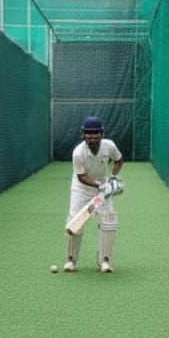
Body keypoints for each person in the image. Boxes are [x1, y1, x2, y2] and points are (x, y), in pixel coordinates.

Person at [64, 116, 123, 273]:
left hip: (103, 189)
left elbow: (119, 160)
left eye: (96, 134)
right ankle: (70, 260)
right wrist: (100, 185)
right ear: (84, 134)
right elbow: (81, 176)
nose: (93, 138)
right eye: (89, 134)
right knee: (75, 221)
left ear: (101, 134)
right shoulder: (78, 153)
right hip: (81, 189)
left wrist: (113, 177)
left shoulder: (109, 146)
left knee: (108, 221)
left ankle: (105, 261)